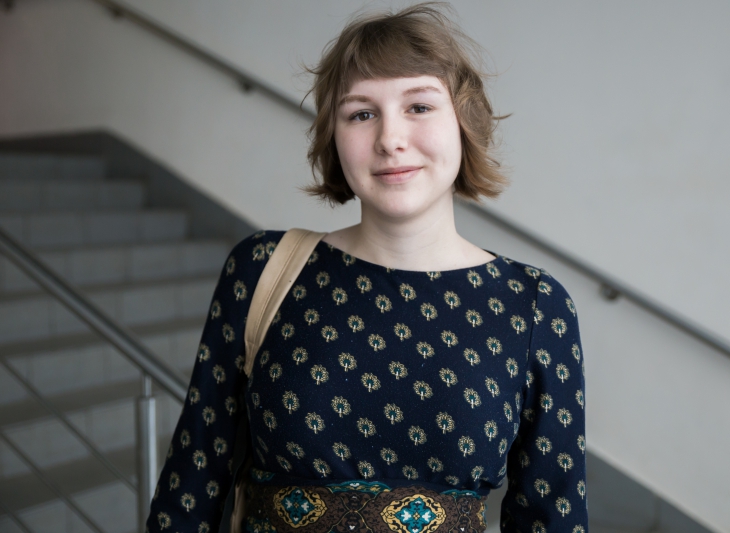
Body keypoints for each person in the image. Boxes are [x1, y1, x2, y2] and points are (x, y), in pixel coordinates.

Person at [146, 3, 588, 533]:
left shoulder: (534, 304)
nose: (389, 139)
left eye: (419, 106)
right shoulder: (262, 269)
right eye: (361, 113)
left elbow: (552, 517)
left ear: (463, 124)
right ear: (334, 136)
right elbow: (190, 486)